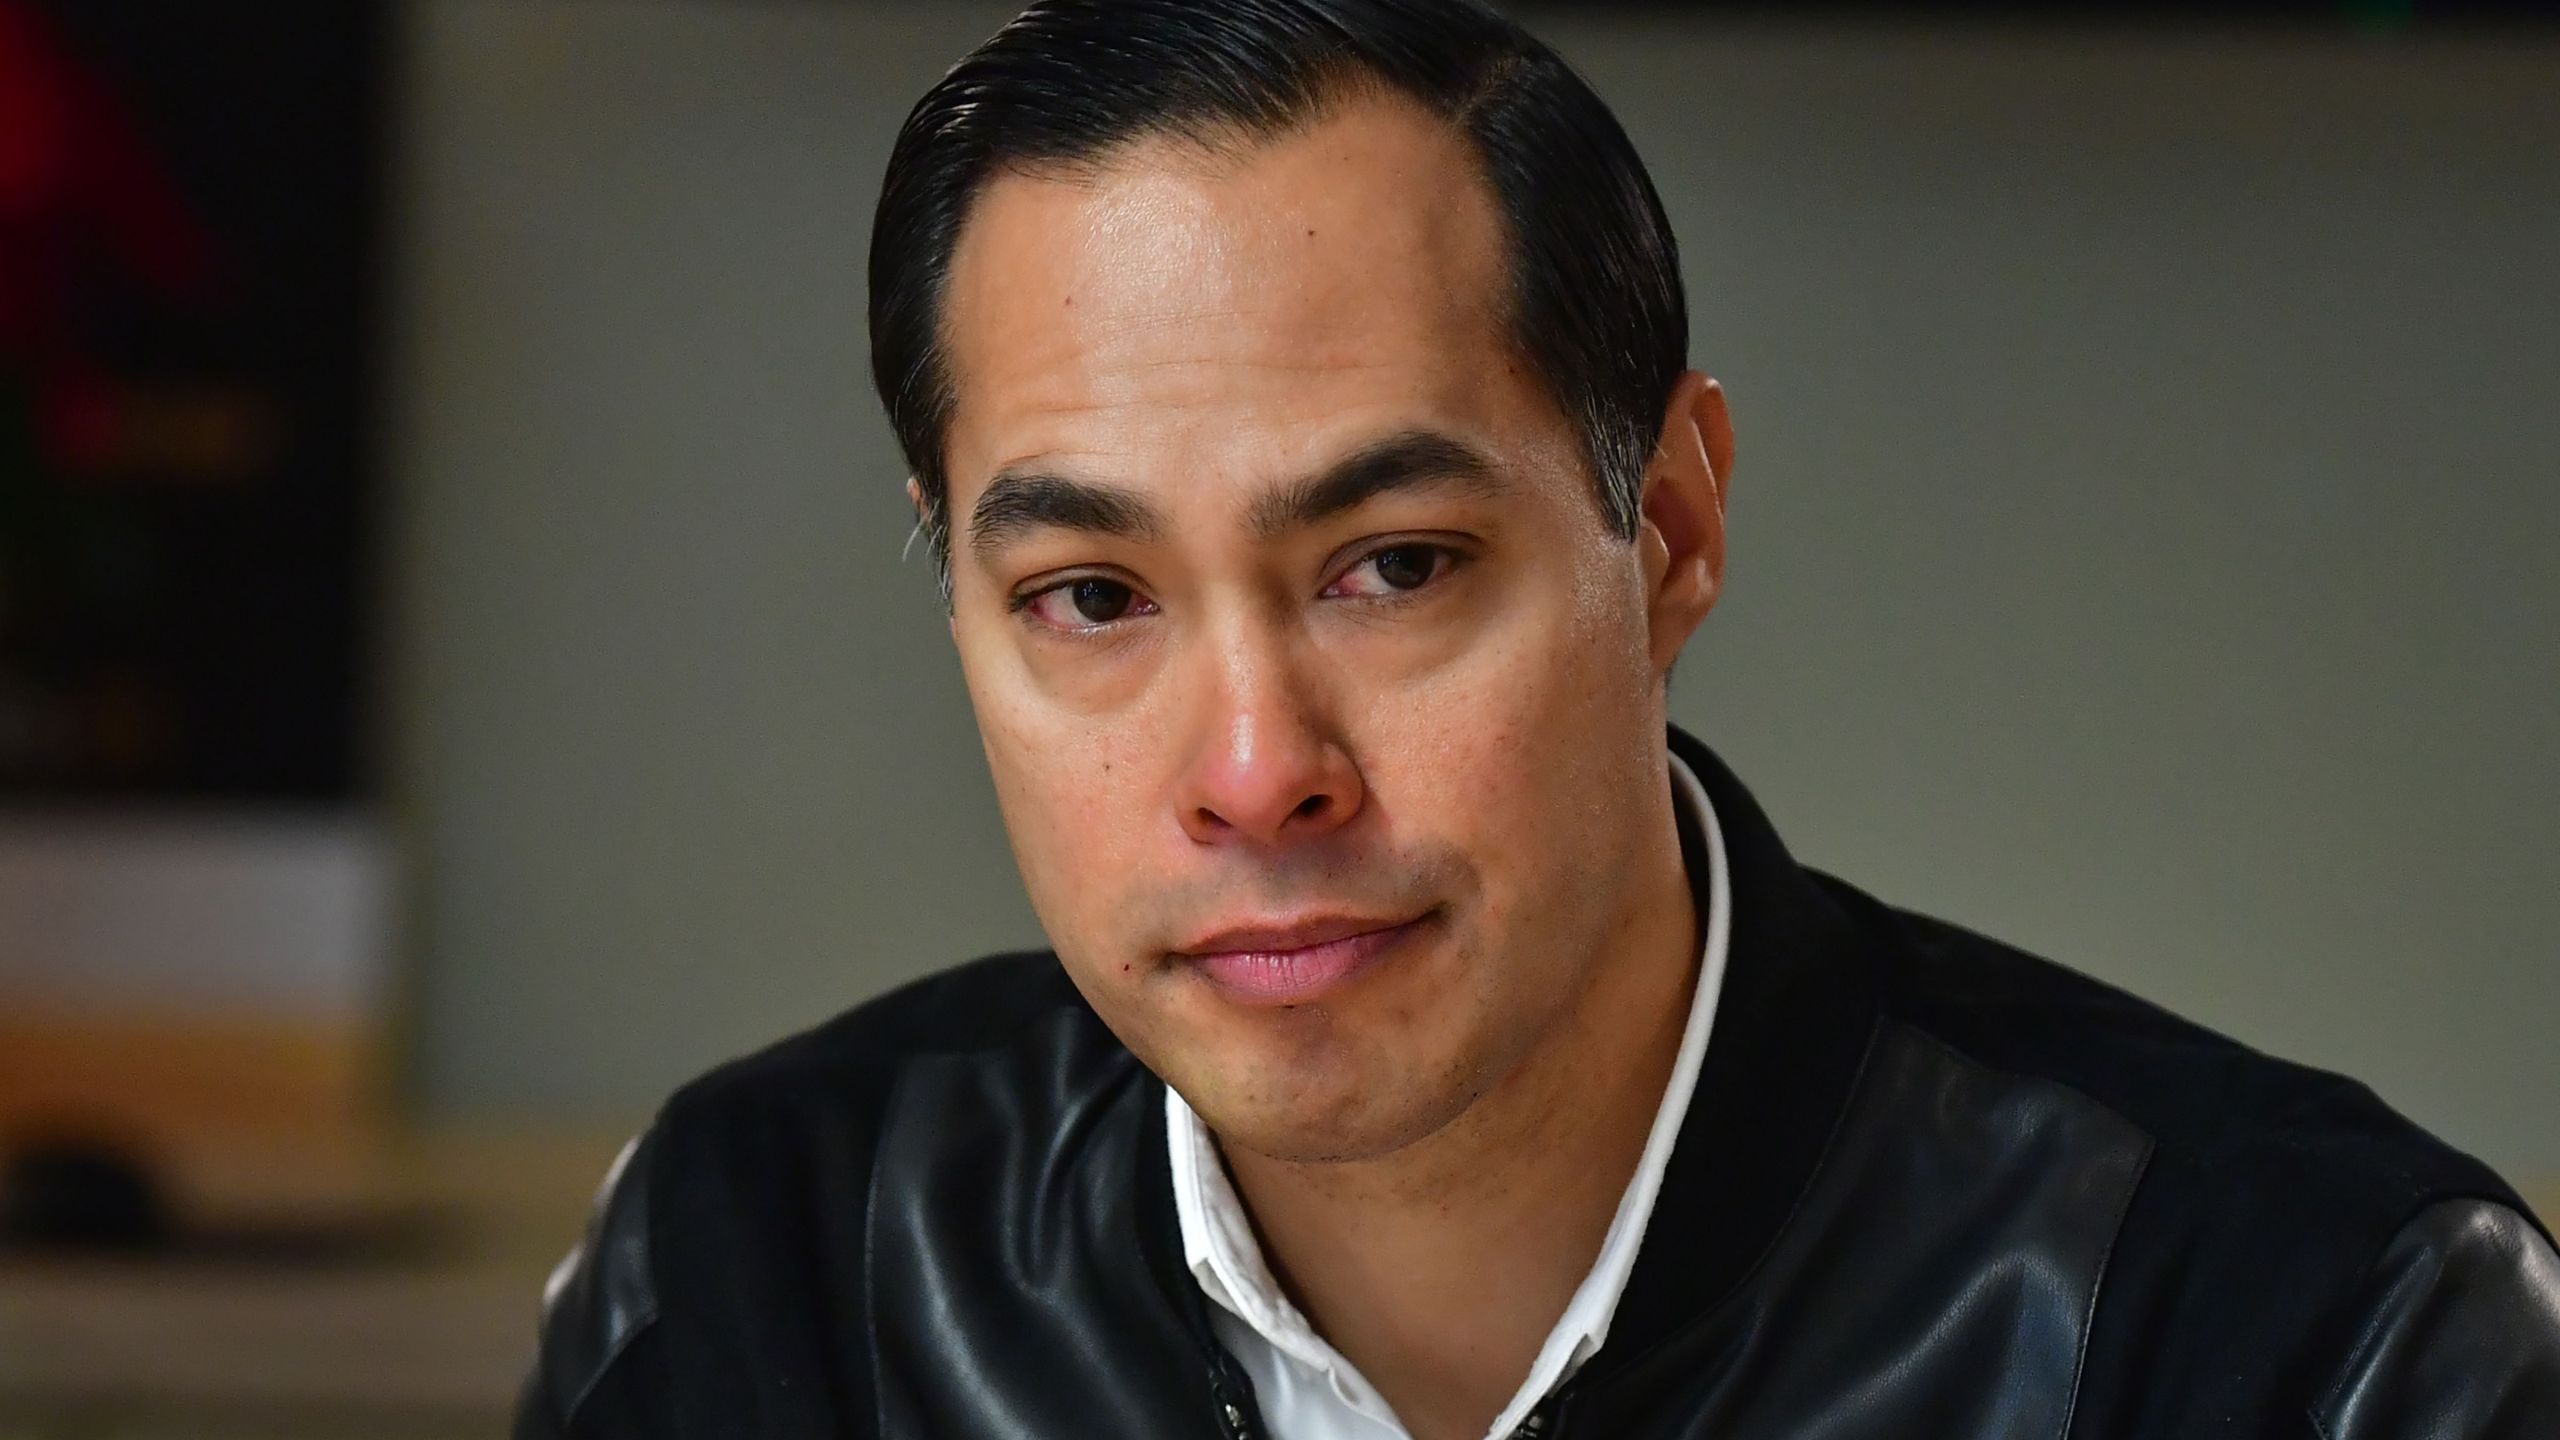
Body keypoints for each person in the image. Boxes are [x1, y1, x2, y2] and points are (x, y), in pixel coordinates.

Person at [514, 3, 2560, 1437]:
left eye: (1387, 565)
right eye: (1091, 600)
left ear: (1663, 528)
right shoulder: (761, 1258)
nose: (1252, 772)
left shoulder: (2311, 1337)